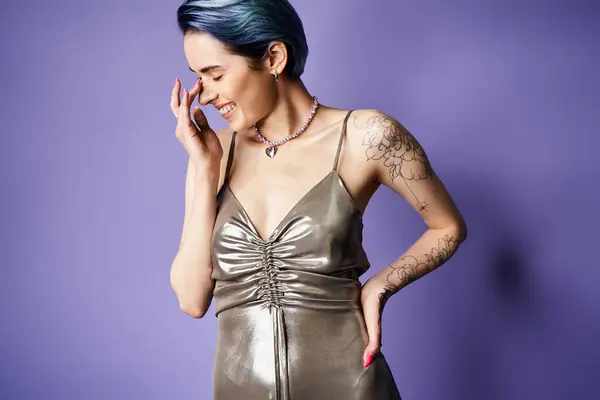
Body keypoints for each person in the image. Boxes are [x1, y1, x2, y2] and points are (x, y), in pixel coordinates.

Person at [169, 1, 467, 399]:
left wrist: (379, 286)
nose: (203, 96)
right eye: (197, 77)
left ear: (274, 57)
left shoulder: (366, 136)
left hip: (350, 384)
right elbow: (191, 299)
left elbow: (448, 227)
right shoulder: (213, 153)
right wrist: (206, 172)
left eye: (215, 74)